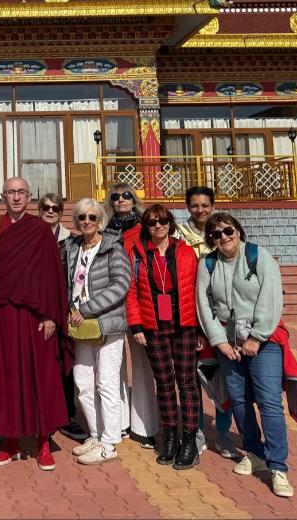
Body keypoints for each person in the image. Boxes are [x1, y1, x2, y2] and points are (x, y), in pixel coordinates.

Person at [197, 213, 297, 498]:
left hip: (263, 340)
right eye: (216, 234)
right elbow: (204, 304)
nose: (223, 237)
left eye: (228, 231)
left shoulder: (259, 257)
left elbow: (271, 298)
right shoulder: (208, 264)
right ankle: (255, 452)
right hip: (228, 340)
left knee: (268, 401)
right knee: (239, 399)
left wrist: (257, 336)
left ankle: (278, 466)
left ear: (238, 231)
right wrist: (219, 341)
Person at [0, 177, 69, 471]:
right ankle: (11, 442)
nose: (16, 197)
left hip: (35, 315)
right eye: (11, 192)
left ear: (29, 197)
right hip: (4, 312)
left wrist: (50, 315)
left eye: (21, 192)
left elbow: (51, 275)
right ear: (2, 197)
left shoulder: (40, 230)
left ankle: (43, 441)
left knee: (39, 375)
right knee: (7, 374)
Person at [126, 204, 202, 470]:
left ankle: (189, 441)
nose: (158, 226)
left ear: (170, 223)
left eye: (162, 221)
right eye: (152, 222)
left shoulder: (185, 251)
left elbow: (197, 289)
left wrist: (201, 328)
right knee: (164, 383)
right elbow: (131, 291)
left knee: (187, 383)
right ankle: (169, 438)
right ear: (146, 227)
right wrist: (136, 326)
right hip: (153, 325)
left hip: (184, 324)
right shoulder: (138, 254)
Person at [174, 186, 240, 460]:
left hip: (224, 318)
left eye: (205, 205)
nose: (200, 210)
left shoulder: (223, 232)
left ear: (213, 206)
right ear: (188, 207)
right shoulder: (178, 234)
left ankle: (223, 434)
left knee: (225, 378)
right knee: (192, 379)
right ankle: (197, 431)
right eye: (194, 205)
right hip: (190, 315)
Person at [65, 198, 131, 465]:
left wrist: (88, 309)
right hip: (80, 325)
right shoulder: (72, 248)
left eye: (92, 217)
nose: (87, 222)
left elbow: (121, 284)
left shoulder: (114, 247)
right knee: (82, 383)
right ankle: (95, 434)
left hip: (106, 324)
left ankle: (110, 442)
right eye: (82, 217)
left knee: (106, 383)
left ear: (100, 221)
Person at [105, 182, 159, 449]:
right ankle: (119, 422)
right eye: (115, 197)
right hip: (112, 305)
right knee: (113, 365)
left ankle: (145, 425)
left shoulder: (146, 229)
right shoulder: (105, 231)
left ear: (134, 199)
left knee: (142, 364)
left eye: (126, 195)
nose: (121, 200)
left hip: (139, 302)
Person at [39, 193, 86, 442]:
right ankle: (42, 414)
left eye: (55, 208)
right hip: (38, 309)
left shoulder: (72, 241)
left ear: (61, 211)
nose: (50, 211)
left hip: (65, 308)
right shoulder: (31, 236)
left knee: (66, 363)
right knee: (42, 364)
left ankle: (68, 415)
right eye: (45, 207)